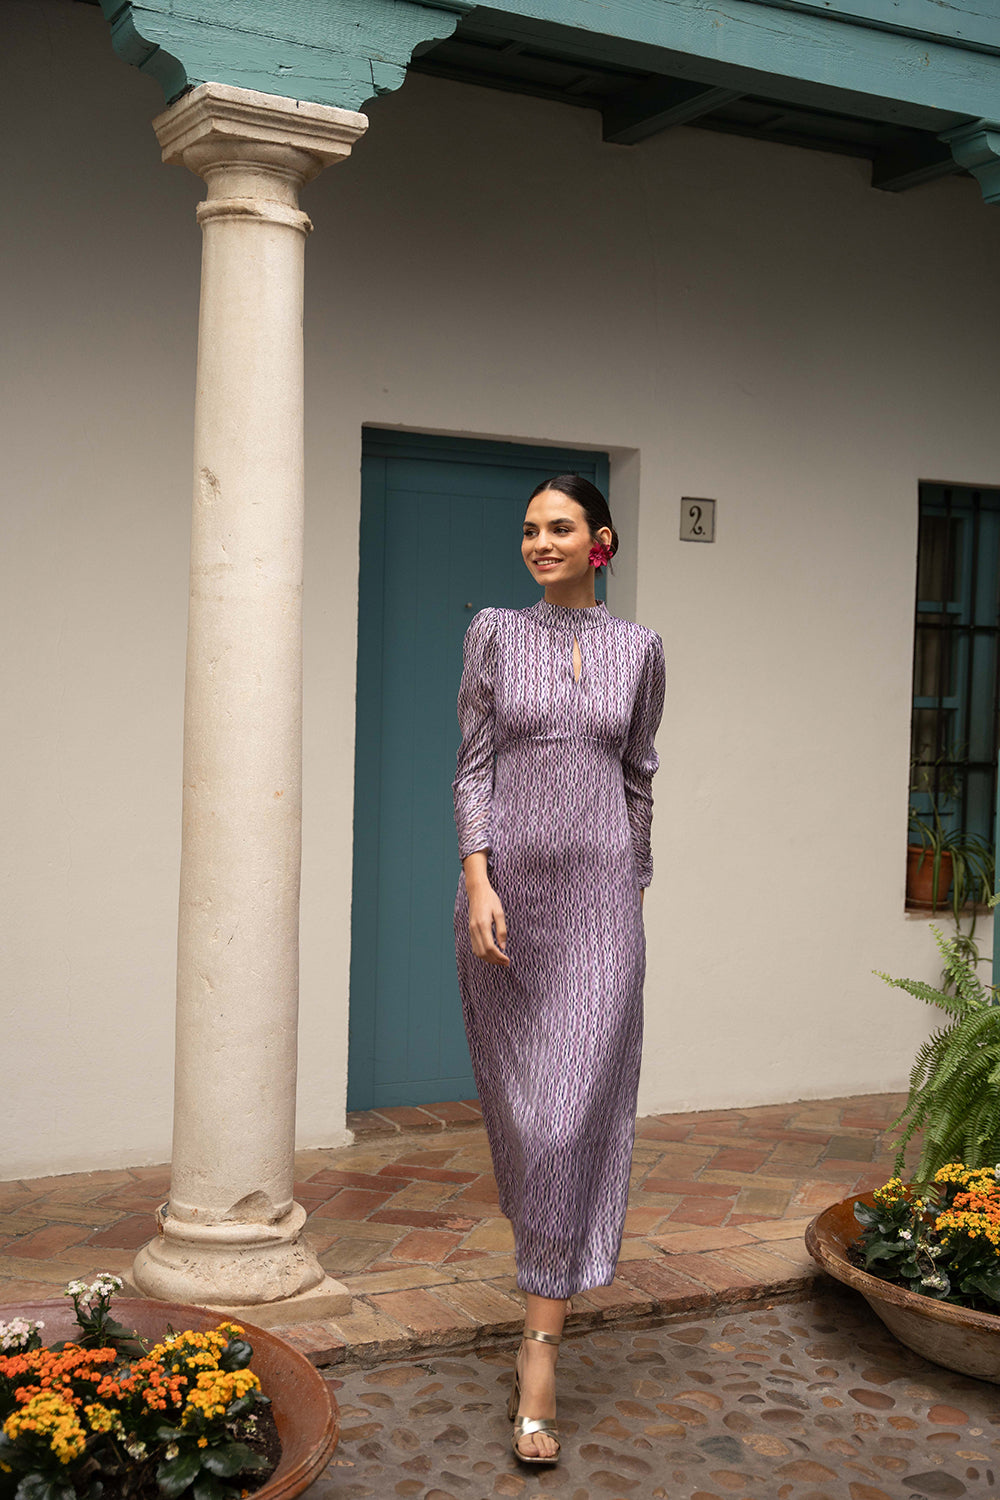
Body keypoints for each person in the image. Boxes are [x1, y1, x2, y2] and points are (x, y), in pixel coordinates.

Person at [452, 473, 666, 1465]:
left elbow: (639, 776)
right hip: (508, 905)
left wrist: (633, 888)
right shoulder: (495, 633)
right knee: (531, 1120)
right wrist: (477, 878)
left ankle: (539, 1353)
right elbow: (473, 764)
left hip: (602, 908)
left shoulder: (640, 650)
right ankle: (543, 1297)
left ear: (600, 542)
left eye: (561, 528)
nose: (540, 542)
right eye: (531, 529)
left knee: (573, 1116)